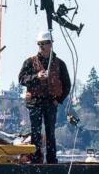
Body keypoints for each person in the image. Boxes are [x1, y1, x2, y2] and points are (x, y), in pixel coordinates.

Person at [17, 30, 70, 164]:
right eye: (39, 44)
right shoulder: (29, 62)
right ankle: (36, 159)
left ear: (51, 44)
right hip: (35, 102)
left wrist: (59, 100)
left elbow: (67, 85)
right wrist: (36, 77)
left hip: (51, 102)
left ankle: (52, 160)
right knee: (35, 132)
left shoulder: (60, 64)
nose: (41, 46)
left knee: (50, 132)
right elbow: (21, 79)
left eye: (44, 43)